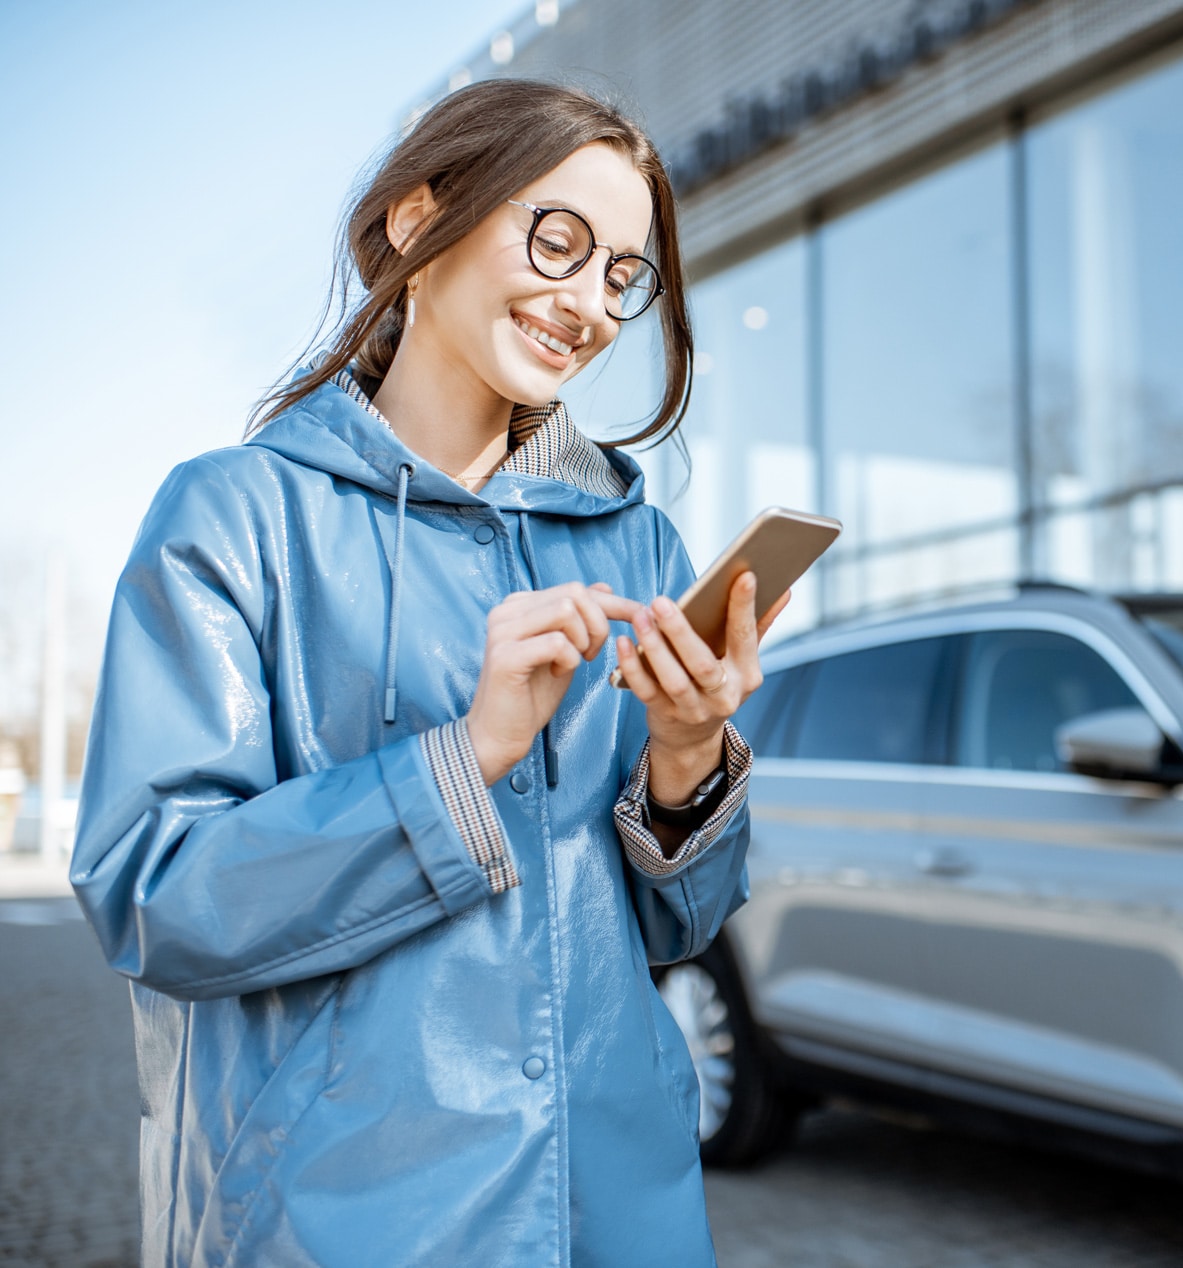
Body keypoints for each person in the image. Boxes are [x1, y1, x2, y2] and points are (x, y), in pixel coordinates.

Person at [68, 79, 780, 1266]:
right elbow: (154, 890)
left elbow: (680, 921)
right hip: (336, 1215)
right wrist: (462, 760)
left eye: (620, 272)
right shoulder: (236, 516)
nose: (589, 302)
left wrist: (689, 756)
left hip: (620, 1207)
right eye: (557, 238)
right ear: (416, 217)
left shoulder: (636, 542)